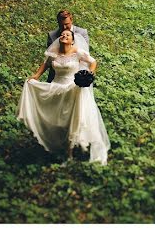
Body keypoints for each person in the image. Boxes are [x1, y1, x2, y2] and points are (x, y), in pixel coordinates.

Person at [17, 29, 110, 163]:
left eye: (67, 35)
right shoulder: (53, 53)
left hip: (72, 88)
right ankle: (55, 141)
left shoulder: (77, 52)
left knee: (72, 117)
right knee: (56, 116)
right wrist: (36, 76)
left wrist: (90, 74)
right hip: (56, 87)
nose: (64, 36)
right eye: (62, 35)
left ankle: (70, 151)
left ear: (72, 40)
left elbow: (93, 62)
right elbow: (46, 64)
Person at [46, 9, 89, 82]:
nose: (64, 27)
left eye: (67, 24)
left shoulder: (82, 32)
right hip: (56, 75)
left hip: (76, 75)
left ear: (71, 20)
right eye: (61, 25)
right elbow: (50, 58)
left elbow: (85, 54)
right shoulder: (52, 35)